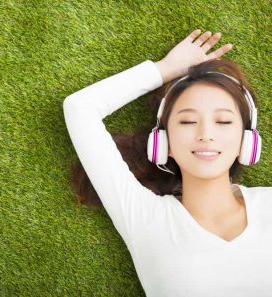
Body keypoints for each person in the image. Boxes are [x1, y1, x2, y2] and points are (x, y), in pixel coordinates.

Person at [63, 29, 272, 296]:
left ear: (247, 141)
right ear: (164, 143)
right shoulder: (144, 218)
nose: (205, 134)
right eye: (187, 121)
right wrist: (165, 69)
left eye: (223, 121)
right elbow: (80, 108)